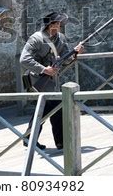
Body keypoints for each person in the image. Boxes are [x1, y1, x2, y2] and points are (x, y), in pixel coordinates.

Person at [20, 11, 83, 150]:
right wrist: (44, 70)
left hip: (53, 82)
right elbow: (24, 59)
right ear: (51, 25)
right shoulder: (36, 39)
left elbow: (65, 61)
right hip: (38, 81)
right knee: (46, 110)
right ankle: (34, 139)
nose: (60, 26)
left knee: (55, 109)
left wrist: (75, 54)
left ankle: (56, 142)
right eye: (58, 23)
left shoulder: (60, 39)